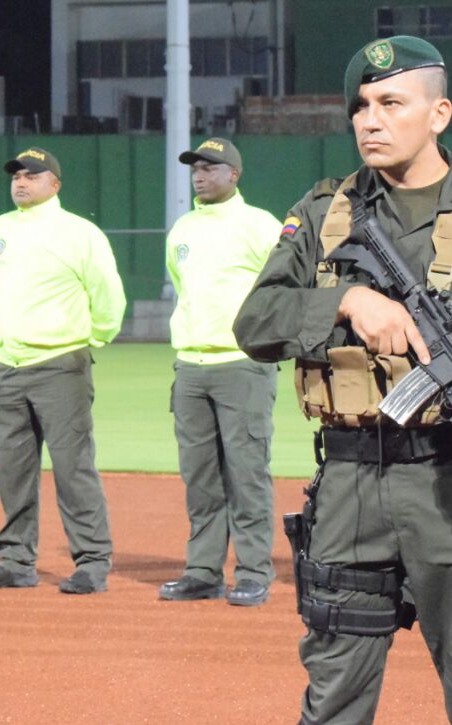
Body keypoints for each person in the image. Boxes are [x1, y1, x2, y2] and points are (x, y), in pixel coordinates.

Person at [234, 35, 452, 724]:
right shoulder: (322, 211)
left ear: (438, 113)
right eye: (360, 106)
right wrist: (345, 301)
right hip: (350, 486)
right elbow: (255, 322)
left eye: (391, 103)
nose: (370, 120)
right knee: (334, 700)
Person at [0, 146, 126, 595]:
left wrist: (90, 338)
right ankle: (16, 560)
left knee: (73, 469)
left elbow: (108, 295)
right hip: (7, 367)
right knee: (11, 470)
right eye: (16, 175)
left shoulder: (80, 233)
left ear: (55, 184)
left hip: (60, 365)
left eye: (32, 175)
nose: (20, 181)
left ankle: (92, 561)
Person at [158, 137, 281, 607]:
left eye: (210, 167)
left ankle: (252, 572)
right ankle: (203, 571)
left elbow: (284, 286)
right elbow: (182, 285)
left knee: (247, 474)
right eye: (196, 168)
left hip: (241, 365)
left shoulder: (260, 225)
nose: (200, 175)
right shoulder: (183, 229)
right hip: (191, 367)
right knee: (200, 478)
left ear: (234, 174)